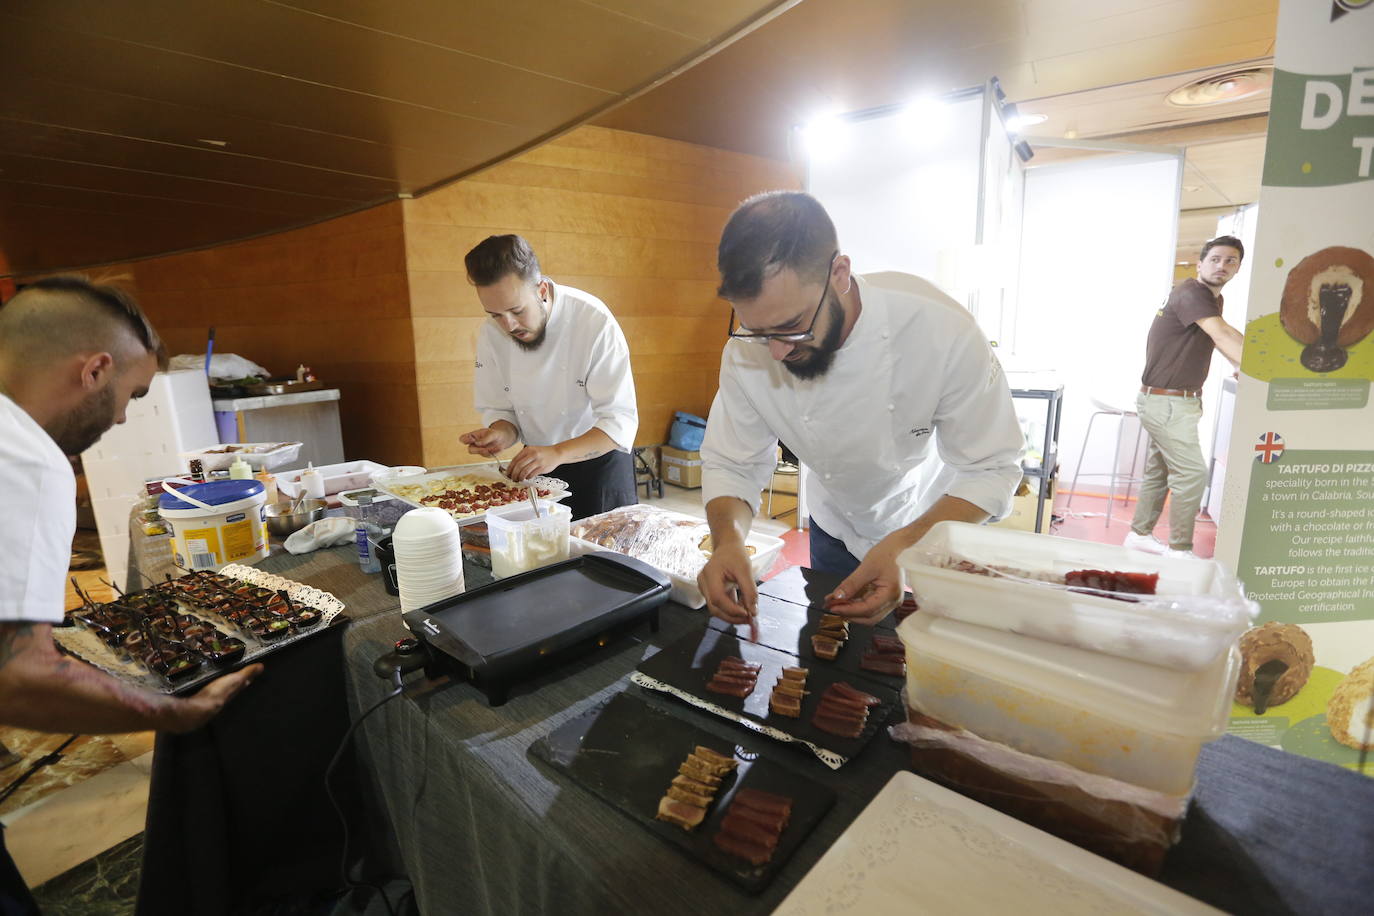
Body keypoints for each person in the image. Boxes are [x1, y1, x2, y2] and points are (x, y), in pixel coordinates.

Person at [0, 276, 261, 913]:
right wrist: (173, 713)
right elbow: (17, 675)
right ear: (94, 370)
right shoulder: (25, 458)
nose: (121, 418)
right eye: (130, 396)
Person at [696, 191, 1024, 627]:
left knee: (920, 661)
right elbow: (732, 464)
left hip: (932, 523)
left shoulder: (941, 331)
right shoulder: (746, 352)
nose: (775, 352)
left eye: (792, 327)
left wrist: (908, 546)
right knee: (830, 662)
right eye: (758, 330)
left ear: (839, 274)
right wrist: (728, 540)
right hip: (835, 523)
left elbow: (992, 469)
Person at [458, 235, 639, 520]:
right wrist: (500, 433)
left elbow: (619, 421)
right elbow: (504, 411)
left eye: (517, 311)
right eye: (495, 315)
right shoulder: (492, 334)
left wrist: (558, 452)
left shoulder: (593, 320)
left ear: (541, 289)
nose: (509, 325)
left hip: (600, 466)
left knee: (603, 559)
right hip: (538, 468)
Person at [1124, 236, 1245, 558]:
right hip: (1167, 403)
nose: (1222, 265)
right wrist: (1258, 369)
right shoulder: (1192, 292)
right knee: (1192, 474)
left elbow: (1219, 334)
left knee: (1159, 471)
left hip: (1174, 401)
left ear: (1238, 268)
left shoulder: (1210, 300)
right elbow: (1221, 333)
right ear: (1200, 263)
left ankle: (1139, 535)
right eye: (1216, 259)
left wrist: (1237, 362)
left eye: (1230, 261)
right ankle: (1180, 549)